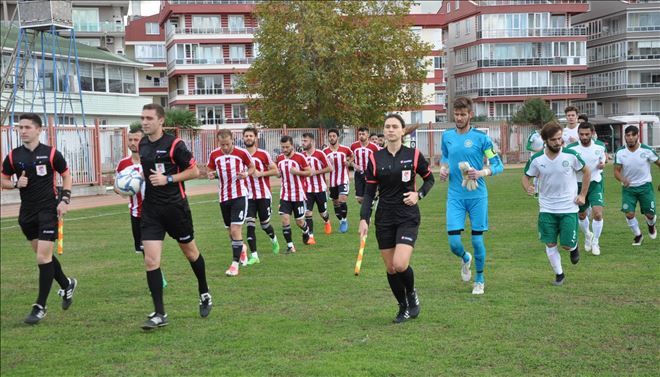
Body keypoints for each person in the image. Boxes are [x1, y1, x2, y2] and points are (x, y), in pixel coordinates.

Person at [137, 103, 212, 330]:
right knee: (151, 261)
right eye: (142, 118)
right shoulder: (142, 145)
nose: (145, 122)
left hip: (175, 208)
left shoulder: (174, 144)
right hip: (151, 210)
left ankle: (204, 291)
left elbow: (194, 171)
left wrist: (168, 179)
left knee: (191, 253)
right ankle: (160, 313)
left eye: (149, 118)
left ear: (161, 120)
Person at [1, 113, 77, 325]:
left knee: (43, 258)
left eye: (27, 127)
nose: (23, 130)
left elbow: (66, 175)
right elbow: (3, 179)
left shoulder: (51, 153)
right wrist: (16, 184)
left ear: (38, 130)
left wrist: (65, 199)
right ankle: (67, 284)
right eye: (20, 127)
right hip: (26, 214)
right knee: (45, 257)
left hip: (48, 211)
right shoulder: (14, 156)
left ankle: (40, 306)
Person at [358, 114, 435, 323]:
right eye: (387, 127)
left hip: (407, 216)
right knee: (391, 268)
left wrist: (418, 195)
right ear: (384, 131)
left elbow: (429, 179)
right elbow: (368, 192)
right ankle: (403, 307)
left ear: (402, 131)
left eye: (395, 127)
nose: (390, 130)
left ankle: (411, 293)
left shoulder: (414, 155)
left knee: (400, 264)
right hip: (384, 216)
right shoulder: (375, 158)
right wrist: (364, 218)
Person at [439, 97, 504, 295]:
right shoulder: (447, 136)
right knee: (453, 243)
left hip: (477, 196)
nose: (458, 118)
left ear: (470, 115)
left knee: (477, 240)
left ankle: (480, 279)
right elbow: (445, 157)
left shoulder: (481, 139)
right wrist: (443, 169)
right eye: (456, 114)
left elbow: (497, 165)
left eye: (462, 114)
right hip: (455, 196)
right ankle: (465, 258)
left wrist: (481, 172)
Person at [522, 121, 590, 286]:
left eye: (560, 138)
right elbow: (526, 177)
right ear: (545, 140)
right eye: (553, 139)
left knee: (566, 245)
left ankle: (573, 247)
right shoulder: (537, 159)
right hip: (546, 208)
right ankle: (559, 275)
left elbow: (587, 171)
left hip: (568, 208)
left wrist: (582, 195)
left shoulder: (570, 155)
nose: (558, 142)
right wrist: (528, 187)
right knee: (550, 243)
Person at [114, 128, 168, 286]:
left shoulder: (151, 159)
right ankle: (157, 272)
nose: (132, 143)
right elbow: (118, 186)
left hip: (153, 212)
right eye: (130, 140)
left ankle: (157, 276)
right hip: (135, 212)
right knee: (143, 248)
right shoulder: (123, 164)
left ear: (143, 141)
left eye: (136, 140)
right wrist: (123, 190)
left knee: (151, 246)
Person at [207, 129, 255, 277]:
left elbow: (252, 167)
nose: (225, 148)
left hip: (240, 195)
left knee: (235, 230)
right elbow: (210, 168)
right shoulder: (214, 154)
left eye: (227, 144)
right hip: (223, 197)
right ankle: (242, 249)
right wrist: (210, 173)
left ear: (232, 140)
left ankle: (234, 265)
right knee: (230, 232)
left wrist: (246, 174)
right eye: (222, 145)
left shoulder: (241, 153)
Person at [613, 125, 659, 245]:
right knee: (629, 214)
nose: (630, 138)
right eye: (628, 135)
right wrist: (623, 179)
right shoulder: (620, 152)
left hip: (645, 187)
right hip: (629, 189)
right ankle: (638, 235)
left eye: (633, 135)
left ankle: (651, 225)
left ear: (638, 136)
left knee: (650, 214)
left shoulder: (646, 150)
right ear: (625, 137)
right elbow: (616, 171)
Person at [566, 122, 607, 255]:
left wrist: (602, 164)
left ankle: (596, 241)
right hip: (577, 185)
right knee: (582, 214)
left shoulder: (600, 146)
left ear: (592, 133)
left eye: (587, 134)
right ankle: (588, 235)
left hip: (595, 183)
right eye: (581, 134)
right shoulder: (571, 148)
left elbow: (603, 159)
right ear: (578, 134)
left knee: (598, 213)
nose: (584, 137)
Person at [243, 127, 280, 263]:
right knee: (250, 224)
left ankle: (274, 239)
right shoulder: (241, 155)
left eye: (250, 136)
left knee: (265, 225)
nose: (248, 138)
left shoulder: (263, 154)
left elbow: (275, 171)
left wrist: (261, 174)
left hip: (263, 195)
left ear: (255, 138)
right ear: (243, 138)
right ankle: (254, 256)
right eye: (246, 136)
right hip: (247, 196)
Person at [276, 135, 313, 253]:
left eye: (287, 147)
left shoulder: (300, 157)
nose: (285, 149)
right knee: (285, 219)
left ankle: (306, 230)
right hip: (285, 195)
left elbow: (309, 172)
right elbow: (279, 173)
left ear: (292, 146)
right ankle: (290, 246)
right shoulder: (280, 158)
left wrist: (297, 172)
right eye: (283, 147)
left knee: (299, 222)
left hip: (298, 195)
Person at [302, 132, 334, 242]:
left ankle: (327, 221)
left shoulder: (320, 154)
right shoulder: (302, 155)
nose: (303, 143)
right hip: (307, 190)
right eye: (303, 141)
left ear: (312, 141)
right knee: (308, 212)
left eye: (305, 141)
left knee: (323, 212)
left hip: (320, 188)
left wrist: (315, 172)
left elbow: (330, 168)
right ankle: (311, 236)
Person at [323, 128, 353, 233]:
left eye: (333, 136)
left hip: (343, 179)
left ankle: (344, 221)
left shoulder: (345, 149)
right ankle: (341, 221)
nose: (332, 138)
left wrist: (349, 162)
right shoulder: (325, 152)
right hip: (332, 181)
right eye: (330, 136)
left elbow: (352, 155)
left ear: (337, 137)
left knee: (342, 199)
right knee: (335, 203)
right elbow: (322, 166)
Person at [350, 127, 380, 205]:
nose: (361, 136)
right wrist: (354, 165)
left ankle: (367, 215)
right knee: (360, 199)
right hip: (358, 175)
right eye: (359, 134)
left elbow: (379, 160)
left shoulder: (374, 147)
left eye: (363, 134)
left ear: (368, 135)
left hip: (369, 174)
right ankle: (368, 207)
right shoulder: (353, 146)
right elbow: (349, 158)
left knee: (368, 196)